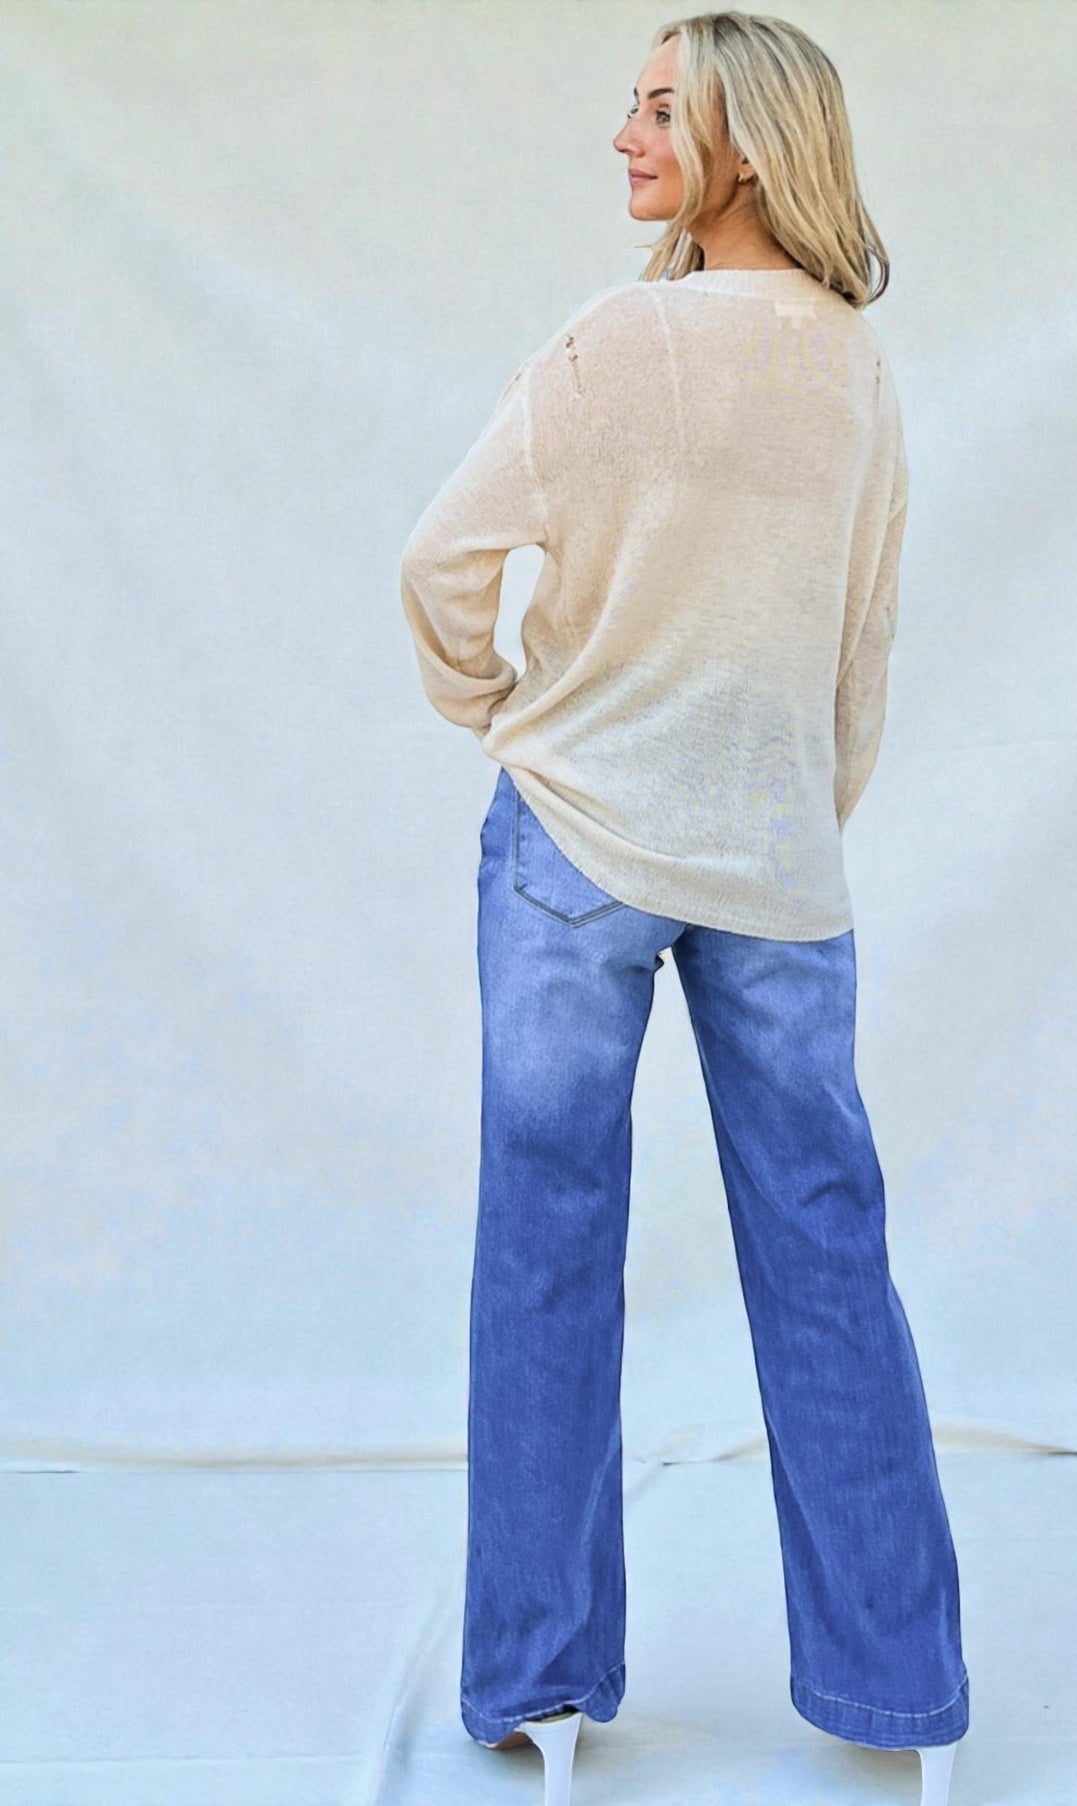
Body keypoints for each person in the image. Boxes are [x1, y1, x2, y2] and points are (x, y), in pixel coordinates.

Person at [398, 12, 968, 1804]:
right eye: (631, 104)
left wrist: (507, 720)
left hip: (571, 841)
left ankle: (538, 1681)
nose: (626, 132)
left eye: (663, 108)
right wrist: (790, 810)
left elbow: (438, 567)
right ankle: (895, 1697)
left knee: (549, 1250)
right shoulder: (854, 371)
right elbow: (857, 651)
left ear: (746, 141)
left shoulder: (608, 344)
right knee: (825, 1253)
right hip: (776, 862)